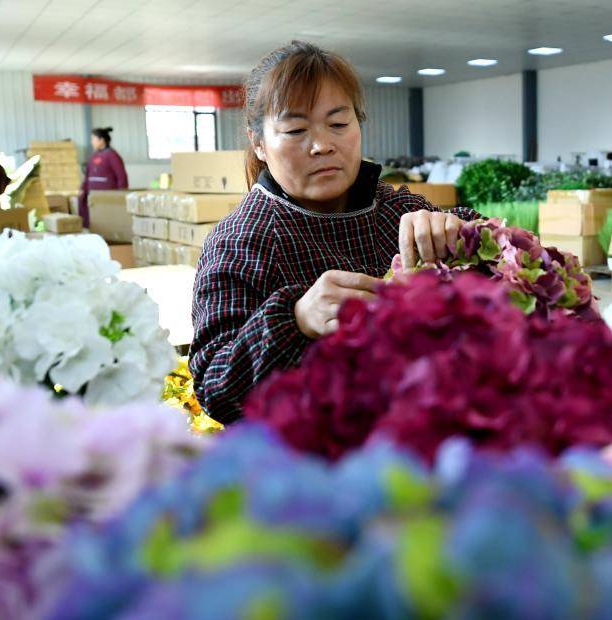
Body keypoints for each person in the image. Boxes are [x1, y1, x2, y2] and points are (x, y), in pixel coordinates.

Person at [190, 41, 479, 424]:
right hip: (318, 468)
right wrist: (295, 321)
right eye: (295, 130)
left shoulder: (395, 210)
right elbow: (216, 387)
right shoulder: (242, 241)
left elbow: (515, 265)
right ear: (258, 143)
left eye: (339, 124)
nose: (323, 145)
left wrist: (461, 234)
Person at [79, 127, 127, 227]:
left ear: (101, 140)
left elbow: (121, 176)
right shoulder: (94, 156)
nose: (92, 142)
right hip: (93, 197)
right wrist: (83, 188)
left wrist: (122, 194)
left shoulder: (112, 155)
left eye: (93, 139)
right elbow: (87, 175)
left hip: (107, 198)